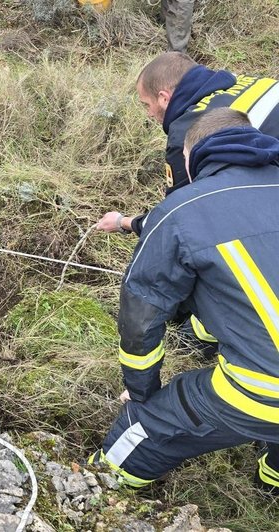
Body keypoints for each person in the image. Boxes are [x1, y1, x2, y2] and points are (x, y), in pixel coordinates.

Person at [89, 107, 279, 494]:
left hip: (267, 387)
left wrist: (143, 395)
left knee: (140, 431)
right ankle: (271, 485)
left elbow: (142, 318)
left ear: (192, 156)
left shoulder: (181, 210)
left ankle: (101, 491)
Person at [97, 52, 279, 235]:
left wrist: (123, 222)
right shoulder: (255, 82)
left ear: (164, 98)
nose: (149, 114)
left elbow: (179, 215)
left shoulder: (188, 131)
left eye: (146, 105)